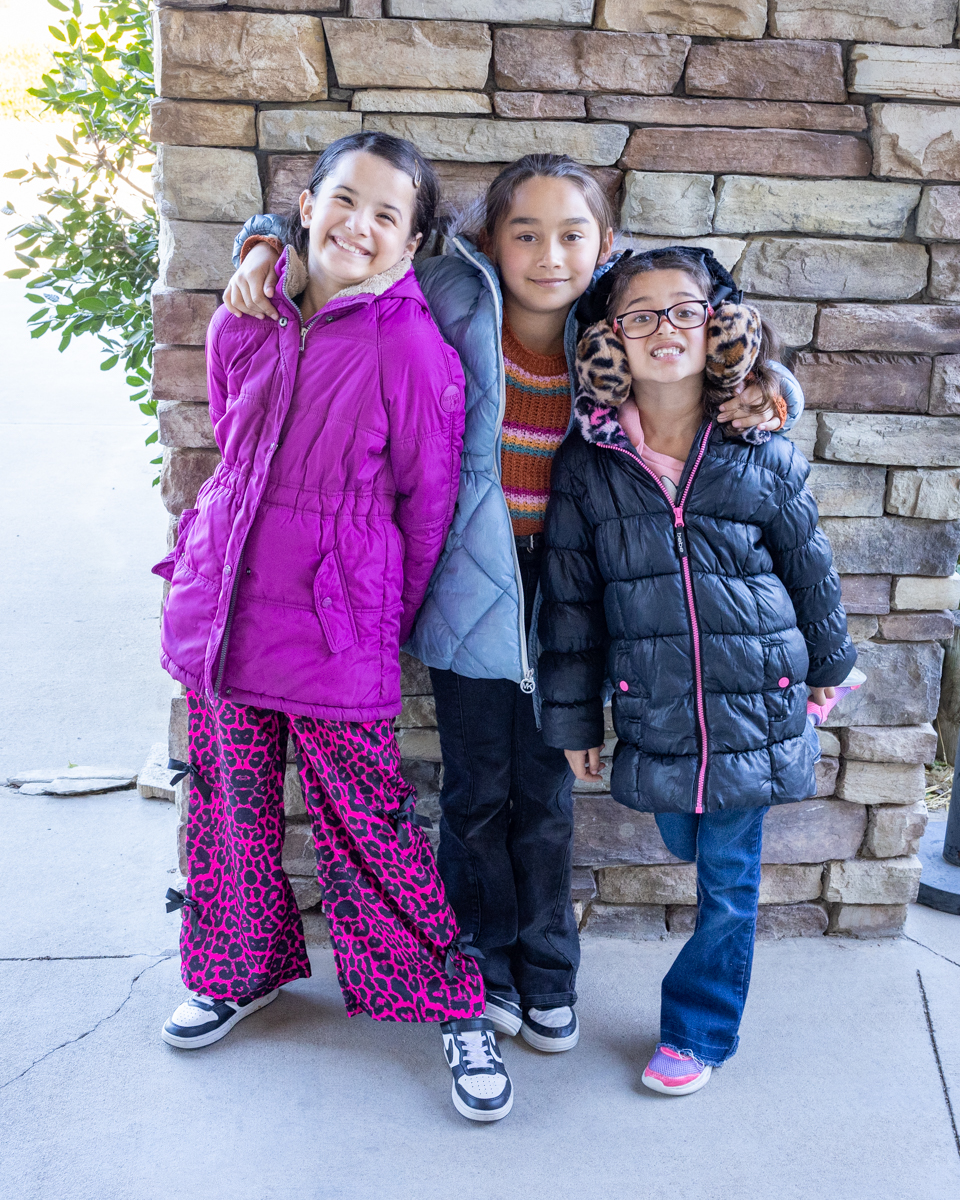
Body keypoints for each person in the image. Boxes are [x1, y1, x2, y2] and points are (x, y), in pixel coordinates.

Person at [223, 156, 806, 1066]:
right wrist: (262, 244)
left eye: (572, 235)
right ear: (489, 240)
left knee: (546, 797)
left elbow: (709, 330)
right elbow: (342, 242)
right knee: (472, 793)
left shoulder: (614, 311)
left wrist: (775, 387)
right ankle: (482, 970)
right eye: (525, 233)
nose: (549, 255)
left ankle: (549, 976)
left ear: (604, 245)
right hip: (467, 585)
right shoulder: (446, 293)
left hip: (575, 593)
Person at [153, 131, 514, 1125]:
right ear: (306, 206)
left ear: (412, 242)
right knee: (227, 806)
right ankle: (236, 971)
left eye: (388, 214)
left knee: (369, 826)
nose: (361, 225)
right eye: (345, 199)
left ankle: (452, 1007)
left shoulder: (412, 349)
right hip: (225, 604)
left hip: (337, 624)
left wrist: (375, 615)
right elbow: (232, 440)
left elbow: (426, 507)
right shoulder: (246, 313)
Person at [538, 246, 856, 1095]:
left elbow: (810, 567)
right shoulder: (588, 467)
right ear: (609, 341)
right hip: (660, 707)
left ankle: (698, 1030)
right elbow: (570, 607)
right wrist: (575, 720)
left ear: (720, 326)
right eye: (640, 315)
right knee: (681, 828)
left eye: (685, 310)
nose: (665, 329)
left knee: (727, 882)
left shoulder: (760, 444)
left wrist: (829, 663)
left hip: (758, 698)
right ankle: (703, 1010)